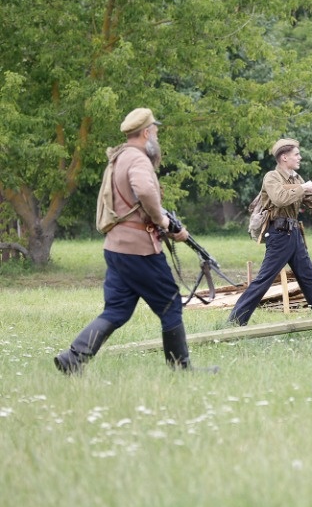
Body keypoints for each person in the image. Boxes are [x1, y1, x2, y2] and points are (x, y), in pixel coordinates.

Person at [54, 108, 213, 374]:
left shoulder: (119, 158)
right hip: (139, 250)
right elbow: (145, 191)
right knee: (170, 303)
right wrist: (162, 221)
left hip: (117, 247)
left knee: (117, 310)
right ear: (147, 133)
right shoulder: (138, 160)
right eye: (156, 132)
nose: (157, 137)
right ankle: (181, 368)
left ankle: (72, 358)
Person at [228, 139, 312, 326]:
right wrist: (303, 188)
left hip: (294, 233)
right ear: (284, 157)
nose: (300, 157)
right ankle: (236, 319)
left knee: (309, 276)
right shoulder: (272, 177)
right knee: (264, 279)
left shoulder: (296, 179)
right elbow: (279, 199)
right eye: (296, 154)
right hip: (279, 233)